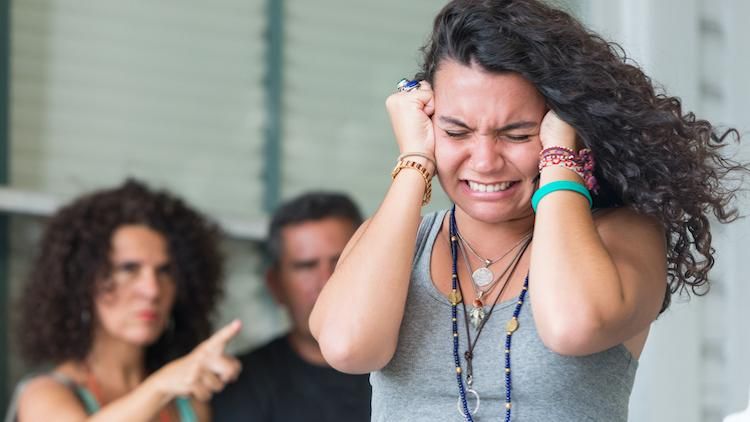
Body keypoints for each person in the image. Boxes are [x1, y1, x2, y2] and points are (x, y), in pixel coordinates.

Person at [309, 1, 748, 421]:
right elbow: (349, 348)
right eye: (456, 130)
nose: (484, 160)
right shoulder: (397, 239)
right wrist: (415, 161)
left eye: (517, 134)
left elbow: (572, 326)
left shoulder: (621, 235)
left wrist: (561, 153)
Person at [7, 180, 242, 422]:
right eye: (129, 269)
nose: (151, 290)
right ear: (83, 281)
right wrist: (160, 386)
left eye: (165, 271)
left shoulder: (188, 404)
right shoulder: (46, 394)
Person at [212, 192, 371, 422]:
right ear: (275, 285)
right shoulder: (243, 382)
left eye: (341, 261)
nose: (327, 281)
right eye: (306, 266)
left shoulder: (417, 364)